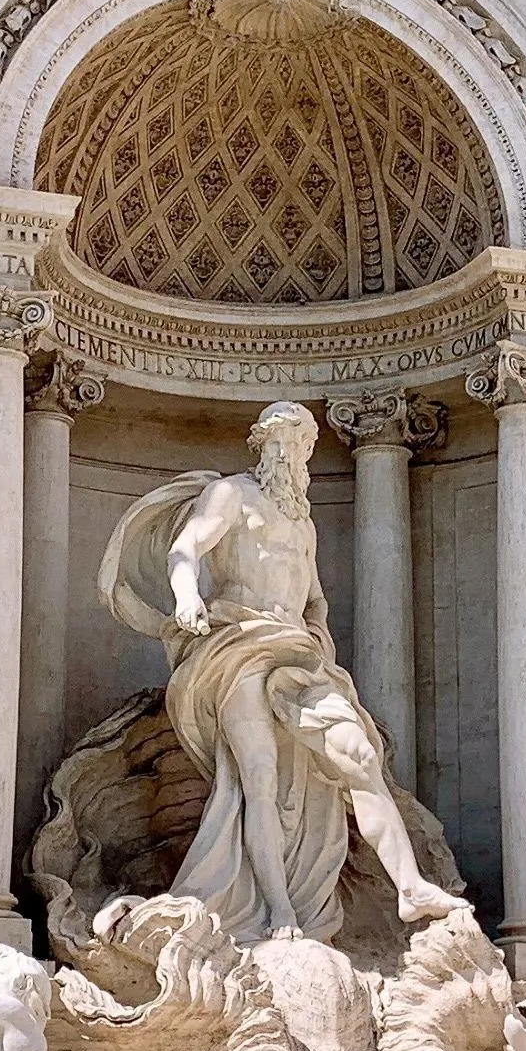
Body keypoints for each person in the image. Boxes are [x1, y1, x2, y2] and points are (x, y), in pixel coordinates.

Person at [100, 401, 462, 946]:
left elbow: (314, 598)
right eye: (282, 445)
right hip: (237, 646)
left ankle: (409, 887)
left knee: (359, 756)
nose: (291, 456)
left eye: (300, 447)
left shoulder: (302, 521)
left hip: (298, 653)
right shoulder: (232, 494)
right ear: (263, 446)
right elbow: (186, 548)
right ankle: (278, 911)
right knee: (259, 779)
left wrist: (318, 640)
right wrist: (187, 595)